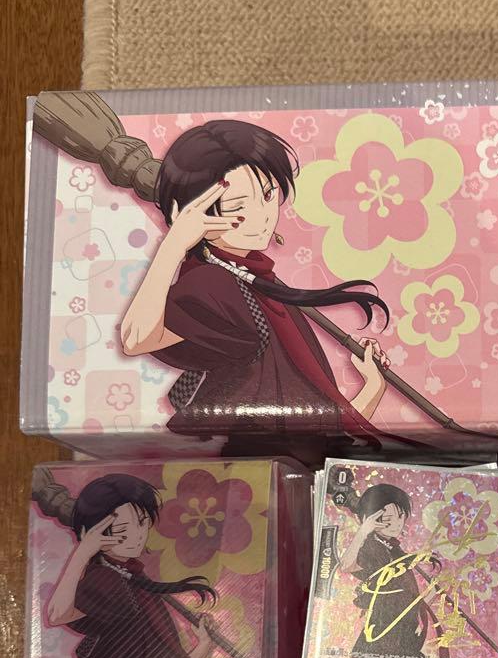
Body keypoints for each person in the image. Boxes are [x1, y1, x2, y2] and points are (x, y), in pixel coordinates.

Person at [119, 120, 395, 454]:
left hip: (280, 459)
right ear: (185, 213)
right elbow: (136, 339)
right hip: (245, 464)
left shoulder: (256, 281)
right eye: (237, 207)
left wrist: (373, 386)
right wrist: (174, 243)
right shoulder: (212, 285)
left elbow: (318, 429)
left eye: (267, 195)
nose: (261, 217)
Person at [46, 474, 229, 658]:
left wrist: (203, 647)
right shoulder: (104, 580)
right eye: (122, 528)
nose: (137, 536)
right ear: (94, 533)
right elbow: (57, 614)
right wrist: (82, 552)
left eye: (142, 523)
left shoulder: (134, 581)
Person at [339, 483, 443, 658]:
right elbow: (346, 565)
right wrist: (363, 531)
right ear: (370, 518)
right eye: (386, 518)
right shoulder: (370, 548)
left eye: (400, 517)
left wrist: (428, 598)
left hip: (403, 640)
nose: (395, 524)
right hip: (379, 642)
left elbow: (404, 602)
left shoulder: (396, 553)